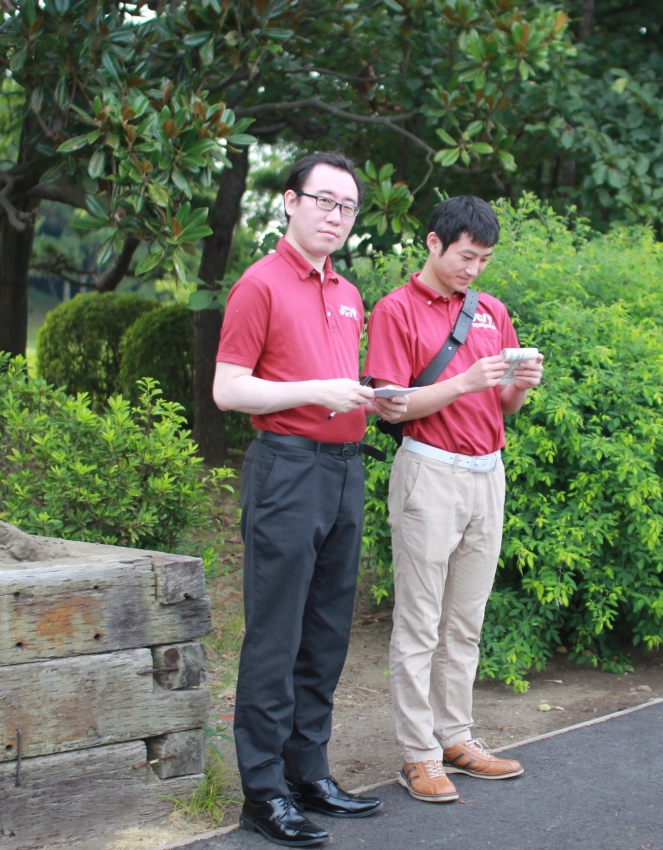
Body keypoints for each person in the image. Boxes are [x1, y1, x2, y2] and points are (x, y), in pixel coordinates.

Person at [214, 152, 408, 846]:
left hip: (344, 468)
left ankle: (308, 772)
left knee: (326, 630)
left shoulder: (348, 292)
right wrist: (316, 392)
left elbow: (333, 381)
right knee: (277, 631)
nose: (335, 215)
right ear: (291, 202)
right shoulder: (259, 285)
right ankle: (263, 791)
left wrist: (372, 398)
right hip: (287, 469)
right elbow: (228, 389)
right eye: (324, 200)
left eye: (347, 206)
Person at [363, 195, 544, 804]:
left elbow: (504, 406)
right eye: (467, 256)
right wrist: (463, 381)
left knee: (465, 621)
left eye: (485, 259)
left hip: (487, 472)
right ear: (434, 243)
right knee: (420, 622)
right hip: (430, 470)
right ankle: (418, 753)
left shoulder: (490, 310)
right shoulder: (395, 309)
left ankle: (456, 738)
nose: (474, 269)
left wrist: (521, 384)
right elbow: (390, 406)